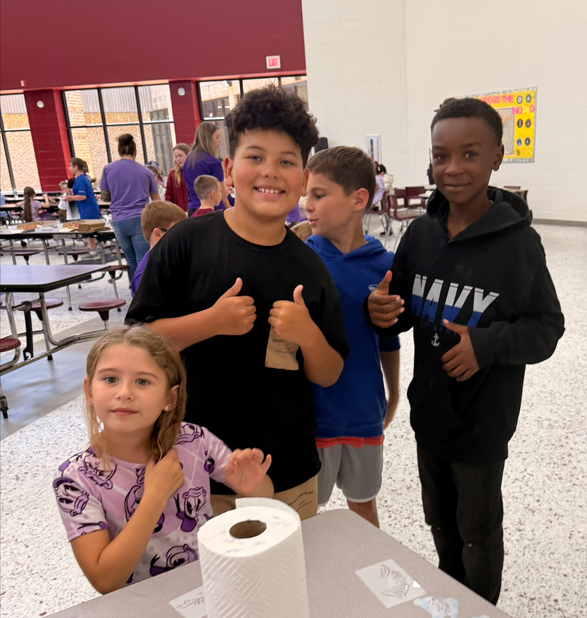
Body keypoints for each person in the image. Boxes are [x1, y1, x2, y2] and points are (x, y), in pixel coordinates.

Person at [366, 96, 565, 605]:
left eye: (469, 154)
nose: (452, 169)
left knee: (477, 530)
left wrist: (488, 344)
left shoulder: (518, 244)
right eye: (440, 155)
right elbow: (407, 306)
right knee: (440, 521)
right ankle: (451, 600)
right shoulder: (421, 233)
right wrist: (387, 311)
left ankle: (481, 616)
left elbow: (547, 328)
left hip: (482, 422)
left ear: (498, 156)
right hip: (429, 413)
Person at [127, 85, 349, 521]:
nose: (270, 172)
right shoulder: (184, 244)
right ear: (229, 168)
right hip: (192, 471)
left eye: (286, 161)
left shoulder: (311, 268)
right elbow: (137, 343)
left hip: (284, 469)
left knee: (288, 581)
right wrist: (209, 322)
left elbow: (331, 371)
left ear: (303, 179)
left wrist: (307, 336)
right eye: (255, 157)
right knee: (199, 585)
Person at [54, 326, 273, 594]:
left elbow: (266, 493)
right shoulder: (75, 479)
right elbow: (105, 581)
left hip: (211, 587)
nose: (124, 393)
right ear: (89, 391)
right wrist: (155, 496)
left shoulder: (195, 441)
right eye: (110, 379)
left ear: (170, 397)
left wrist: (252, 486)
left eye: (142, 381)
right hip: (139, 606)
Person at [304, 146, 400, 528]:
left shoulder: (386, 266)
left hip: (363, 411)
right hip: (312, 417)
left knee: (363, 507)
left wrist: (392, 394)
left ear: (359, 199)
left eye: (319, 194)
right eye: (306, 194)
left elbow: (389, 338)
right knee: (305, 517)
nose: (306, 205)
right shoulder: (301, 261)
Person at [100, 134, 159, 281]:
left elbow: (105, 197)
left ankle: (134, 293)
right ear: (135, 151)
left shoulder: (108, 169)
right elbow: (156, 200)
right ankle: (145, 293)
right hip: (140, 218)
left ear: (119, 151)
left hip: (119, 220)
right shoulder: (146, 171)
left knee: (131, 261)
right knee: (143, 260)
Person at [131, 200, 187, 296]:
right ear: (158, 234)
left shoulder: (170, 260)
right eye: (179, 232)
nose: (185, 237)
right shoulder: (146, 277)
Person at [183, 123, 232, 217]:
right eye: (217, 137)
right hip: (213, 210)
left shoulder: (189, 159)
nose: (220, 140)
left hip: (193, 208)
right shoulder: (213, 162)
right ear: (208, 139)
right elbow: (223, 193)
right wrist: (230, 208)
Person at [165, 144, 190, 212]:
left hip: (193, 210)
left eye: (180, 156)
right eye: (176, 157)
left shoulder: (194, 171)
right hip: (179, 212)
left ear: (188, 155)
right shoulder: (173, 174)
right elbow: (169, 195)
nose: (178, 159)